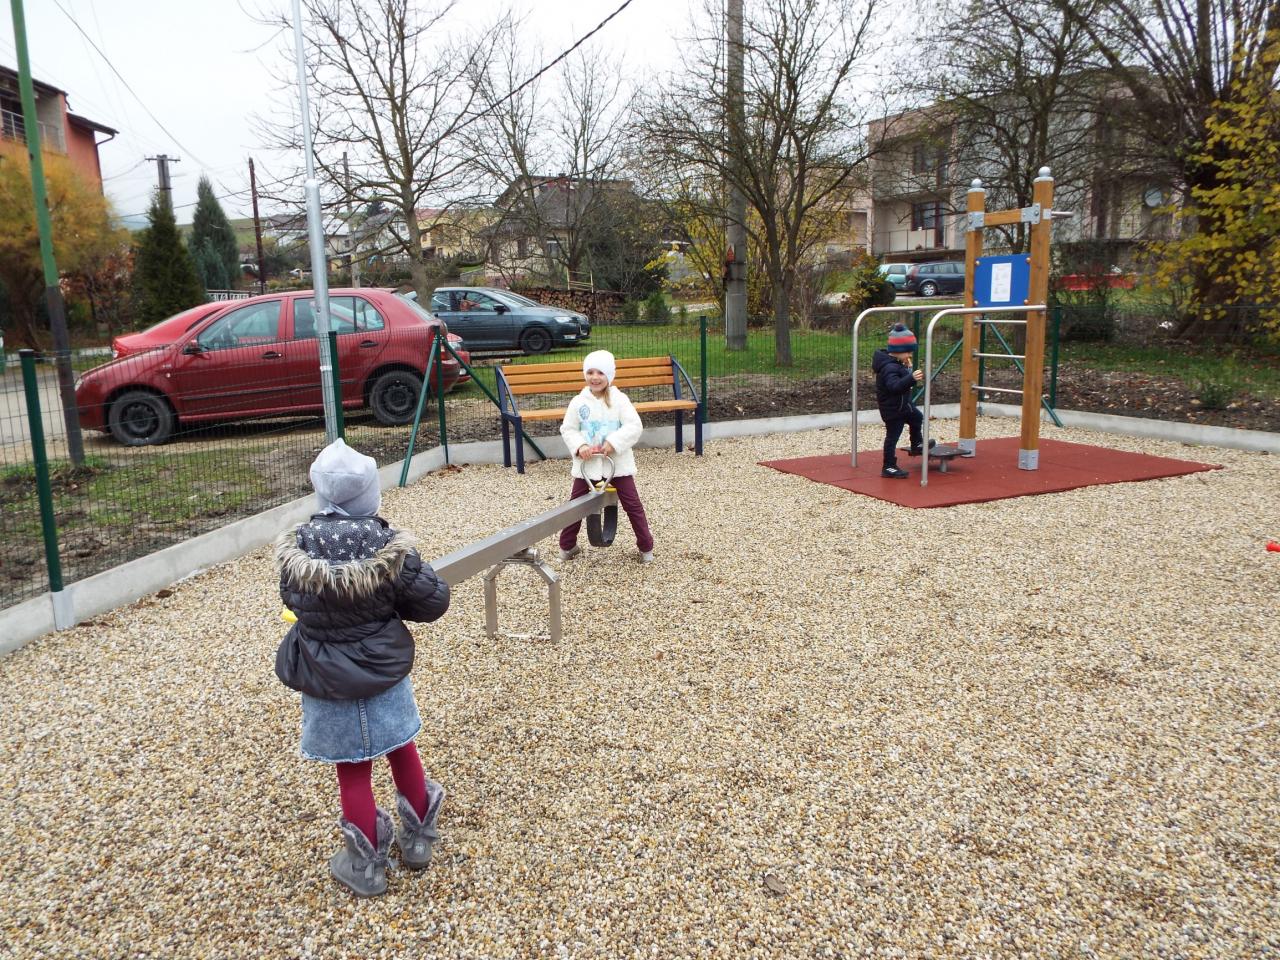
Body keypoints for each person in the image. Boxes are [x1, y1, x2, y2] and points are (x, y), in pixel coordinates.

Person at [274, 439, 450, 897]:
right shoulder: (388, 548)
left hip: (326, 679)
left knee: (352, 770)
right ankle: (418, 839)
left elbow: (291, 599)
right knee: (401, 747)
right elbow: (432, 603)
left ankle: (366, 866)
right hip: (382, 674)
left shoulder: (298, 551)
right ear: (370, 495)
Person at [558, 349, 654, 564]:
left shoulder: (620, 400)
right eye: (590, 372)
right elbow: (568, 429)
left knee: (632, 504)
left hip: (616, 464)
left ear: (609, 375)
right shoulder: (578, 402)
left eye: (600, 373)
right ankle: (567, 545)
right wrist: (580, 445)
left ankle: (646, 546)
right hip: (588, 464)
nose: (595, 377)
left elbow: (634, 426)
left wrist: (614, 442)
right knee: (576, 506)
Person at [872, 323, 929, 479]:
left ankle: (916, 444)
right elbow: (894, 386)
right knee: (893, 436)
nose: (910, 355)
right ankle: (888, 466)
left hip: (903, 405)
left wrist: (908, 372)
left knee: (917, 417)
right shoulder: (889, 367)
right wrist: (911, 378)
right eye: (908, 352)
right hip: (893, 409)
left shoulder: (897, 364)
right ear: (898, 351)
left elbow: (901, 382)